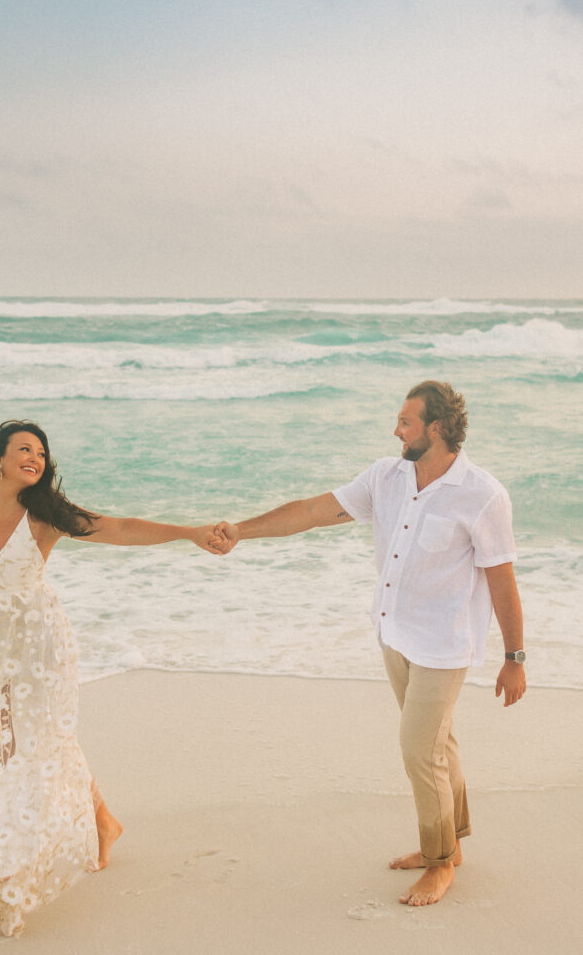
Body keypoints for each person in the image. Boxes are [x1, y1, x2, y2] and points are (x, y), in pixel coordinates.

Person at [0, 420, 220, 943]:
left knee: (36, 742)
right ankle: (102, 821)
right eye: (24, 449)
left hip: (37, 643)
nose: (35, 457)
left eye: (42, 453)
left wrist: (187, 531)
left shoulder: (45, 515)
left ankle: (18, 855)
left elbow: (120, 528)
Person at [211, 381, 526, 907]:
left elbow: (502, 581)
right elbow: (313, 511)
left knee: (418, 751)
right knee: (437, 743)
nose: (395, 430)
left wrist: (514, 658)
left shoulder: (483, 495)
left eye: (405, 422)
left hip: (444, 646)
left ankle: (439, 862)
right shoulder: (388, 477)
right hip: (395, 633)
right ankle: (453, 843)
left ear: (438, 428)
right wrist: (241, 530)